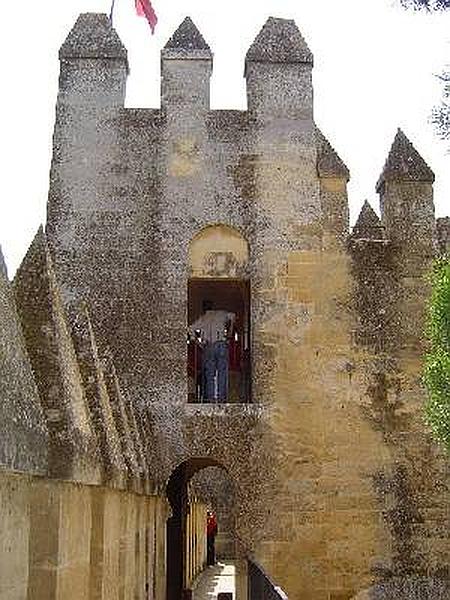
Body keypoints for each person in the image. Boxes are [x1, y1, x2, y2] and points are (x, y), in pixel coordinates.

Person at [189, 300, 235, 402]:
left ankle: (210, 399)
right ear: (212, 306)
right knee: (222, 372)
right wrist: (230, 332)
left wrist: (197, 341)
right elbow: (233, 316)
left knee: (209, 374)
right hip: (221, 343)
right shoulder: (221, 313)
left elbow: (190, 329)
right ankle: (221, 398)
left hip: (208, 345)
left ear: (203, 308)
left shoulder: (203, 318)